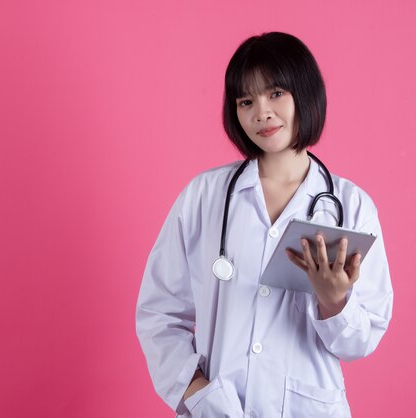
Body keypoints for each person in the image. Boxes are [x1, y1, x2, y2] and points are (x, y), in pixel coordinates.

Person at [136, 32, 393, 418]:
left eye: (275, 94)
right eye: (246, 100)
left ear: (305, 94)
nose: (261, 113)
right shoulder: (204, 197)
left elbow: (360, 340)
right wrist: (197, 393)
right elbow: (159, 313)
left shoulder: (352, 206)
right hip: (217, 409)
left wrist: (334, 301)